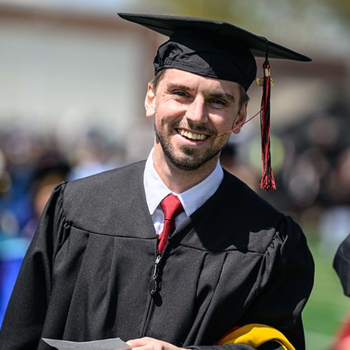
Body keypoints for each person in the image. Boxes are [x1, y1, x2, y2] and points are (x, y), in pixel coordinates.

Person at [0, 13, 314, 350]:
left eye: (217, 101)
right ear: (151, 97)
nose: (196, 115)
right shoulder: (75, 209)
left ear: (239, 117)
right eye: (180, 93)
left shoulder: (271, 242)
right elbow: (19, 338)